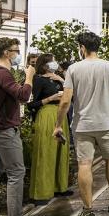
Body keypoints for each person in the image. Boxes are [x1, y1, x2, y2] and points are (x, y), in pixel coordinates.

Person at [53, 31, 109, 216]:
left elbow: (65, 101)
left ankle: (88, 210)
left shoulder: (73, 69)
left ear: (82, 47)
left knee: (84, 164)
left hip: (82, 125)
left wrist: (58, 125)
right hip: (106, 124)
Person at [0, 37, 44, 216]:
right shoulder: (2, 73)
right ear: (7, 53)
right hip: (5, 130)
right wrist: (30, 77)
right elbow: (23, 95)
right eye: (16, 50)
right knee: (16, 172)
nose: (18, 54)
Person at [28, 53, 71, 205]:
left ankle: (60, 187)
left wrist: (62, 80)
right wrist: (50, 98)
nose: (55, 63)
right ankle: (41, 193)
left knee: (61, 152)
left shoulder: (58, 78)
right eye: (52, 61)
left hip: (61, 115)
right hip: (46, 116)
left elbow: (70, 95)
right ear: (45, 64)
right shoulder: (38, 80)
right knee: (45, 152)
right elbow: (31, 104)